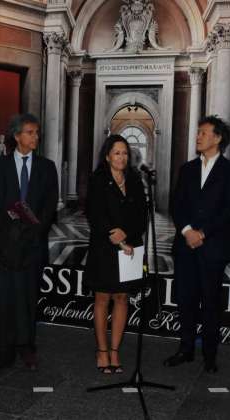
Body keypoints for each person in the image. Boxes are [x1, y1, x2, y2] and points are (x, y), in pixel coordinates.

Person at [164, 115, 230, 373]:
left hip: (214, 247)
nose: (198, 136)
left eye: (203, 132)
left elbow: (229, 211)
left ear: (218, 138)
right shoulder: (187, 169)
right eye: (198, 132)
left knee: (210, 302)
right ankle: (185, 349)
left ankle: (210, 355)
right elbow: (177, 205)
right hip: (185, 246)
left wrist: (203, 233)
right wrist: (187, 231)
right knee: (185, 300)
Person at [0, 113, 58, 370]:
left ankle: (27, 347)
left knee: (28, 298)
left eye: (37, 132)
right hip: (5, 245)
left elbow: (50, 207)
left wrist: (31, 231)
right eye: (30, 132)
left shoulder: (47, 167)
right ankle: (2, 349)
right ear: (16, 136)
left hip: (33, 245)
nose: (35, 136)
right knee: (4, 297)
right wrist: (11, 228)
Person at [85, 134, 146, 374]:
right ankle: (101, 350)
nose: (122, 157)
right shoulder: (97, 179)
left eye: (125, 153)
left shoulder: (135, 179)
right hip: (104, 246)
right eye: (117, 152)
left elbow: (141, 215)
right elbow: (94, 214)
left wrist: (126, 235)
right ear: (108, 156)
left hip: (130, 247)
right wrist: (115, 235)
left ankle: (115, 351)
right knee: (102, 298)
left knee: (122, 298)